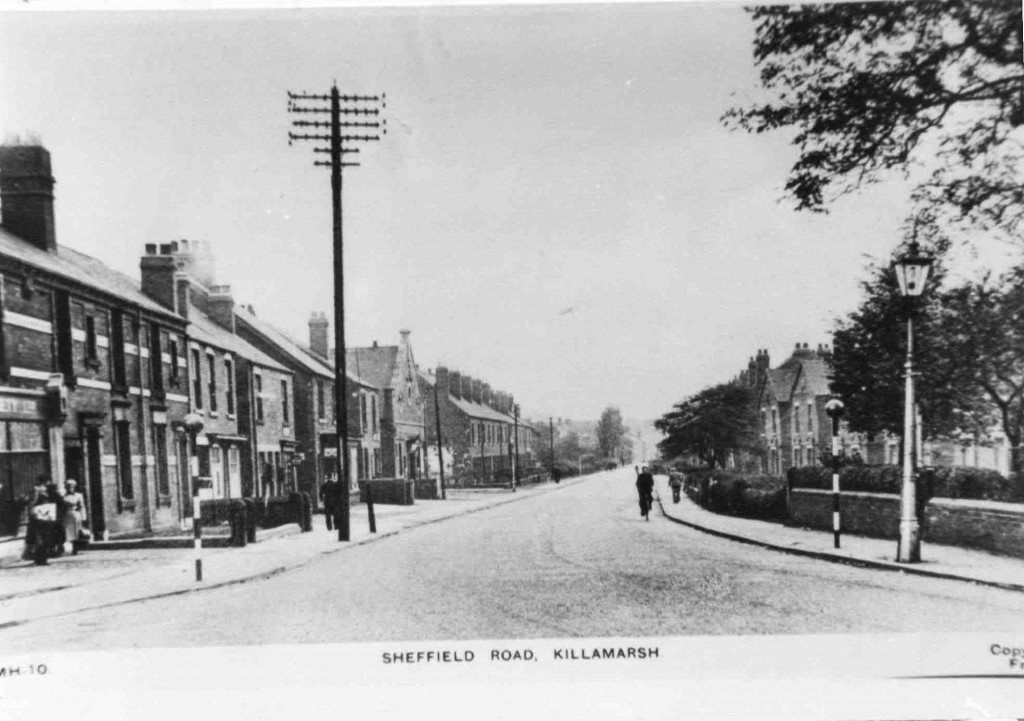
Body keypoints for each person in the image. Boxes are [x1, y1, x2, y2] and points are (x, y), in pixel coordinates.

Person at [62, 479, 86, 555]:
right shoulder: (63, 497)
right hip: (67, 515)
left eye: (72, 487)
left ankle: (75, 548)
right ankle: (70, 547)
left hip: (76, 514)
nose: (70, 488)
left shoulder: (78, 495)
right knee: (69, 532)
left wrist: (83, 517)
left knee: (76, 531)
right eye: (68, 487)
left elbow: (82, 506)